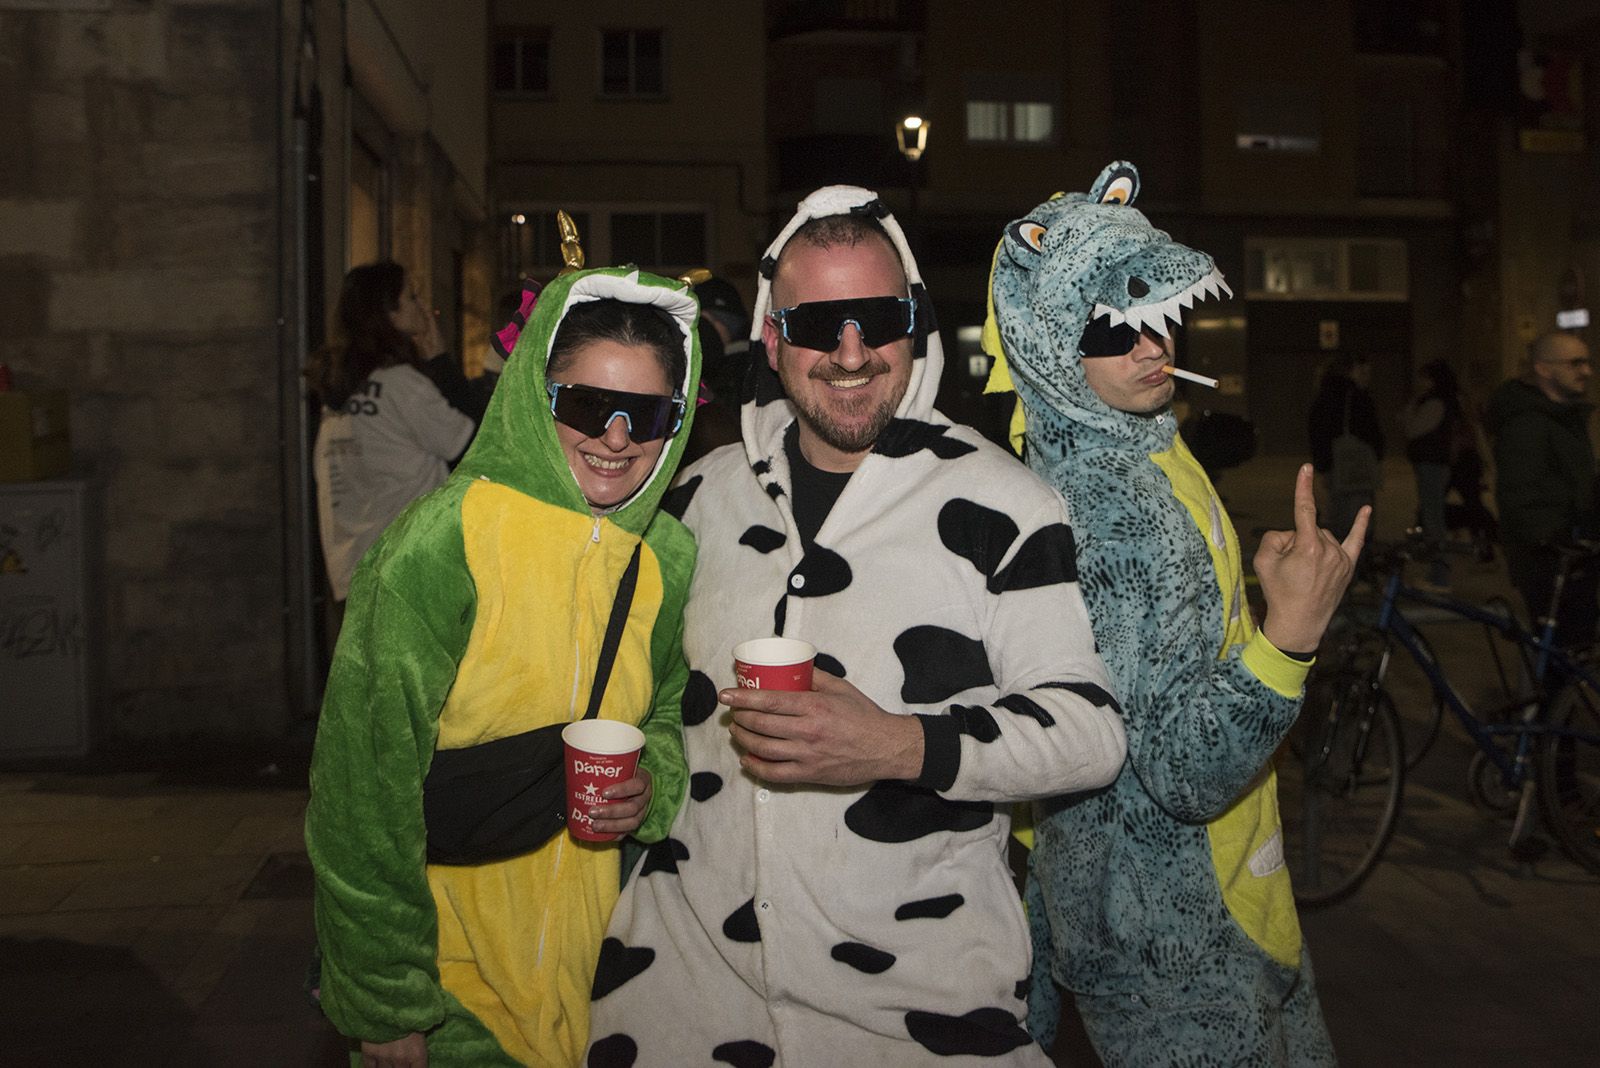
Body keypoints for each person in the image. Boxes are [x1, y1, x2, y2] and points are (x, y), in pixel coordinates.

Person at [585, 187, 1126, 1066]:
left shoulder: (1002, 504)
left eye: (876, 318)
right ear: (772, 338)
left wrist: (896, 745)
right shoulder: (692, 496)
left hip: (916, 1018)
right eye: (817, 323)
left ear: (914, 326)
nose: (849, 352)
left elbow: (1089, 732)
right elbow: (631, 700)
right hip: (679, 1003)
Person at [985, 162, 1357, 1066]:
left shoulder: (1141, 440)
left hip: (1220, 889)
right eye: (1111, 326)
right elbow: (1181, 769)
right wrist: (1291, 635)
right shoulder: (1107, 507)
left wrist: (1248, 595)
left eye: (1157, 319)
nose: (1152, 347)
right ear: (1049, 341)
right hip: (1168, 935)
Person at [306, 266, 702, 1067]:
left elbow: (663, 713)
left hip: (606, 987)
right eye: (588, 405)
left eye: (649, 413)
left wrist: (649, 784)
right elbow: (361, 788)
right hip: (453, 996)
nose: (618, 437)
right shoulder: (442, 544)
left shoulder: (665, 555)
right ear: (536, 396)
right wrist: (386, 1001)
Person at [310, 262, 484, 605]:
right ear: (387, 314)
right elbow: (478, 444)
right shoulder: (402, 385)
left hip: (351, 568)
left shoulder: (339, 389)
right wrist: (440, 362)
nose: (423, 307)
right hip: (407, 572)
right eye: (412, 297)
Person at [1487, 330, 1598, 649]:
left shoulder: (1565, 417)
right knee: (1561, 654)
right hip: (1551, 562)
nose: (1586, 372)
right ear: (1544, 368)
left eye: (1587, 363)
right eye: (1575, 364)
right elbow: (1521, 499)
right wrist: (1561, 549)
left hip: (1575, 555)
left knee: (1576, 650)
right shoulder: (1527, 424)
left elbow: (1574, 483)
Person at [1308, 353, 1383, 540]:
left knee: (1339, 513)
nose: (1367, 376)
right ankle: (1356, 561)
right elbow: (1371, 432)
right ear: (1349, 371)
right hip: (1356, 465)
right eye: (1362, 371)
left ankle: (1341, 558)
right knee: (1360, 517)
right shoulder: (1356, 396)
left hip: (1335, 465)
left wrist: (1324, 464)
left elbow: (1317, 432)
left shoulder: (1324, 395)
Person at [1404, 359, 1463, 589]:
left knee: (1433, 519)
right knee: (1433, 516)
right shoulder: (1442, 401)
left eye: (1424, 377)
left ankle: (1440, 577)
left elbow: (1413, 428)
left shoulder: (1435, 402)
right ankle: (1438, 574)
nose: (1420, 382)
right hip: (1434, 463)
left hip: (1432, 464)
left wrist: (1410, 410)